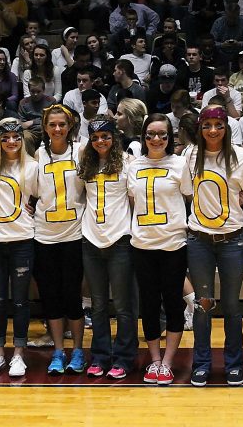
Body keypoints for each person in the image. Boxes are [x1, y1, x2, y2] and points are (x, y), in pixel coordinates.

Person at [185, 106, 243, 387]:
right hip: (199, 239)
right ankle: (201, 364)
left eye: (218, 125)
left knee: (232, 306)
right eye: (207, 125)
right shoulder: (189, 155)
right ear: (200, 129)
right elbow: (187, 192)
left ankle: (233, 364)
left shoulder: (240, 155)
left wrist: (238, 201)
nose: (213, 131)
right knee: (202, 305)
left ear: (226, 128)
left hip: (232, 240)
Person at [128, 113, 192, 385]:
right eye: (151, 134)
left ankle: (168, 362)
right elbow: (132, 201)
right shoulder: (133, 165)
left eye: (162, 135)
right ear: (144, 136)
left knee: (174, 305)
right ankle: (154, 360)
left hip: (173, 243)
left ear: (170, 136)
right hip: (142, 244)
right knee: (150, 305)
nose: (156, 139)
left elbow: (188, 197)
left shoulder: (180, 164)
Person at [78, 115, 138, 379]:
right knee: (99, 305)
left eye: (105, 136)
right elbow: (79, 196)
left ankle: (124, 357)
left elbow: (135, 201)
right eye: (95, 138)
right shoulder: (87, 164)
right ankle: (100, 356)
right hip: (91, 239)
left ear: (115, 136)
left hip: (120, 240)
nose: (100, 141)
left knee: (124, 305)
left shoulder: (127, 163)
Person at [0, 118, 38, 377]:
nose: (11, 142)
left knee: (20, 301)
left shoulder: (33, 166)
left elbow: (43, 198)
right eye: (5, 138)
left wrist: (35, 206)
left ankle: (18, 354)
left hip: (22, 240)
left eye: (16, 137)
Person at [33, 105, 86, 375]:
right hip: (44, 236)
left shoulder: (82, 150)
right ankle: (57, 351)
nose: (57, 129)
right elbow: (30, 192)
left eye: (62, 124)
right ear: (45, 126)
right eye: (52, 124)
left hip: (74, 236)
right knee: (51, 298)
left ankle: (77, 350)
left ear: (70, 126)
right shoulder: (37, 154)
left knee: (72, 297)